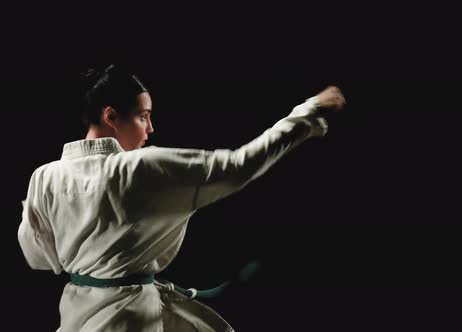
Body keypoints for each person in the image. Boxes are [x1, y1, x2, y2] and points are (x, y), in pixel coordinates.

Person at [18, 64, 346, 331]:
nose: (151, 128)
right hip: (130, 320)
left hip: (77, 317)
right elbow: (237, 165)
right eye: (143, 116)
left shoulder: (45, 176)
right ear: (111, 117)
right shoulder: (137, 169)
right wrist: (307, 113)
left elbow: (39, 258)